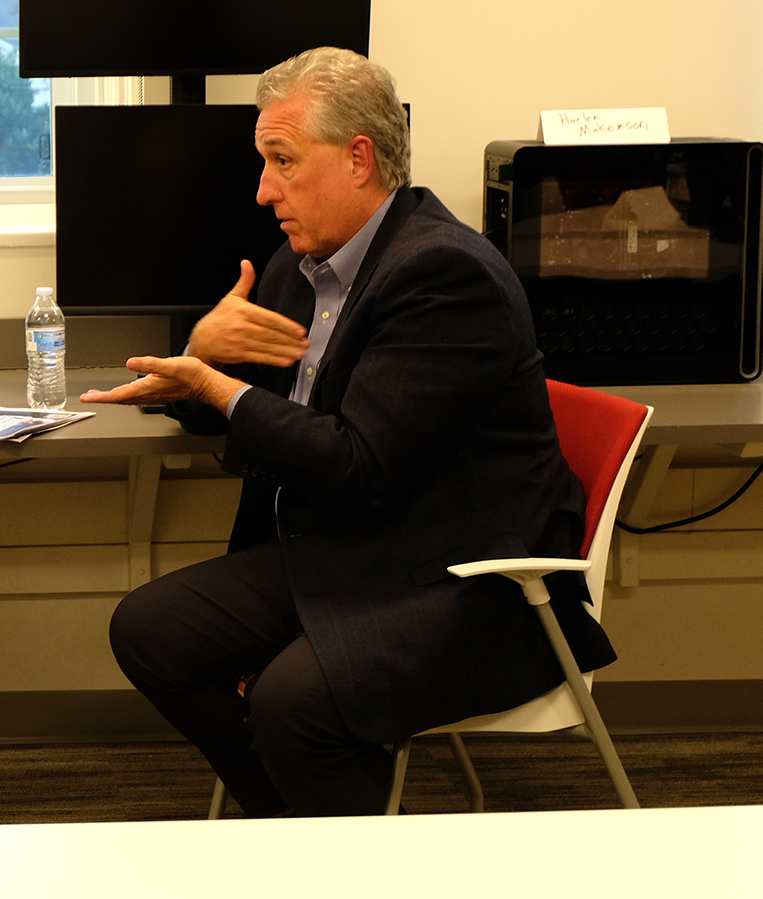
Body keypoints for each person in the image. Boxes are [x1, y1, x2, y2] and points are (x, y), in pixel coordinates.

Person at [80, 47, 617, 817]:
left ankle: (340, 848)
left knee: (291, 703)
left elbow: (357, 461)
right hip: (351, 543)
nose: (264, 191)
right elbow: (262, 402)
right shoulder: (305, 261)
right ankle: (305, 828)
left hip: (463, 573)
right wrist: (199, 366)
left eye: (282, 161)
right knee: (149, 631)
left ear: (358, 157)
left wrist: (219, 388)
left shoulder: (443, 275)